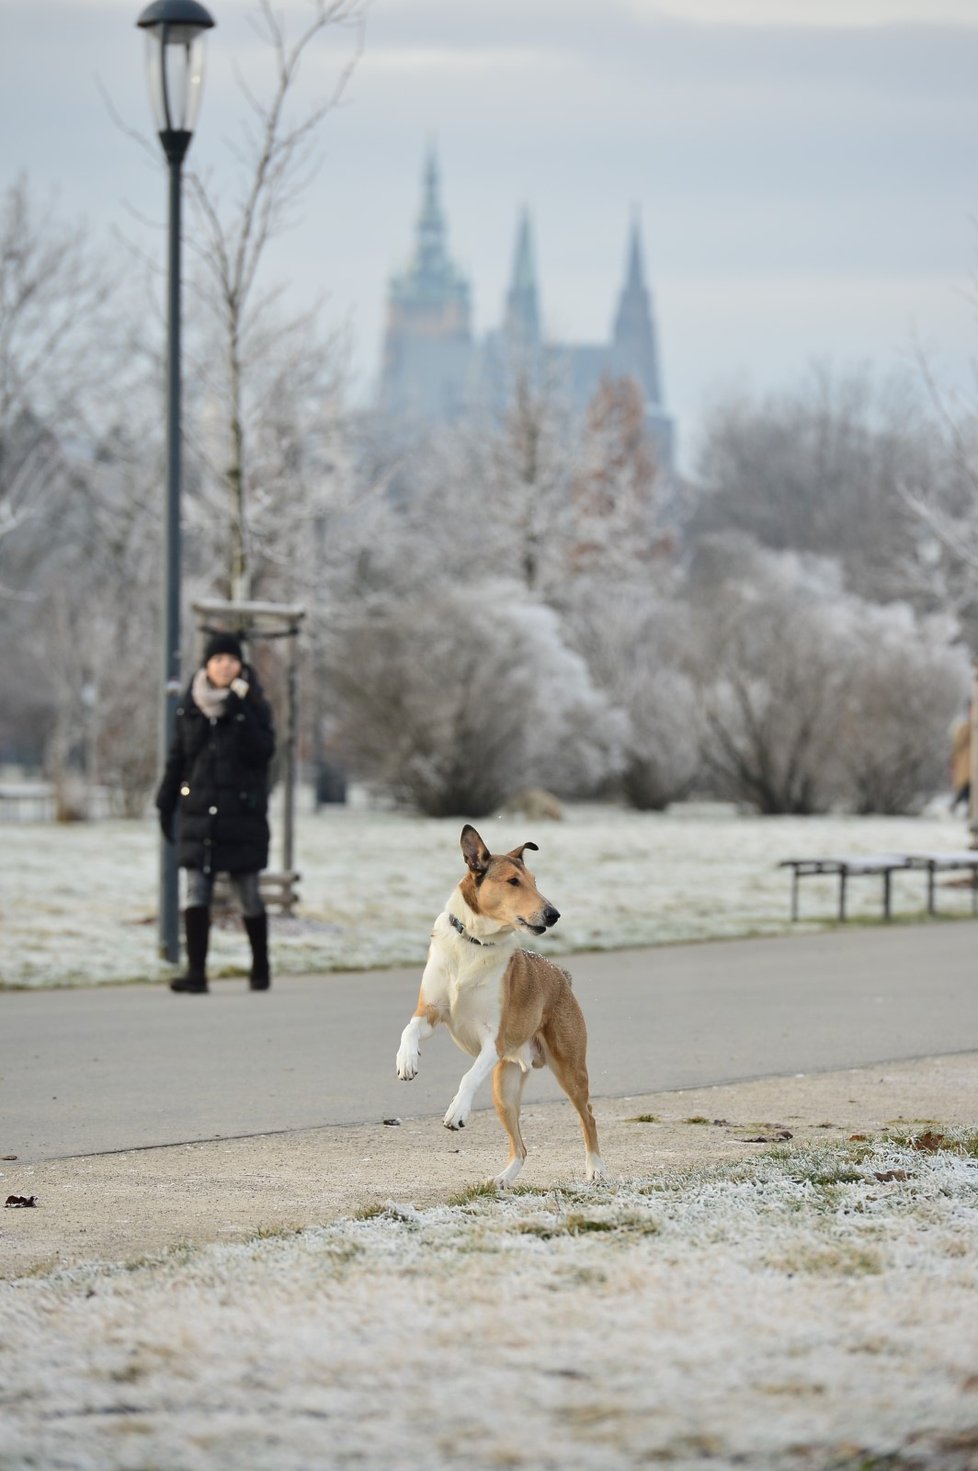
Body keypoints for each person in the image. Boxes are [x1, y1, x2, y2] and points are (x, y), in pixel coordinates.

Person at [156, 632, 276, 994]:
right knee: (197, 892)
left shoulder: (254, 704)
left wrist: (240, 709)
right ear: (206, 664)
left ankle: (260, 968)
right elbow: (179, 758)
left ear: (240, 665)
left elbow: (263, 752)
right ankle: (196, 974)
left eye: (231, 659)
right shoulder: (189, 707)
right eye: (217, 659)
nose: (224, 665)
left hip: (242, 814)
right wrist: (165, 800)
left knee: (249, 895)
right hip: (200, 814)